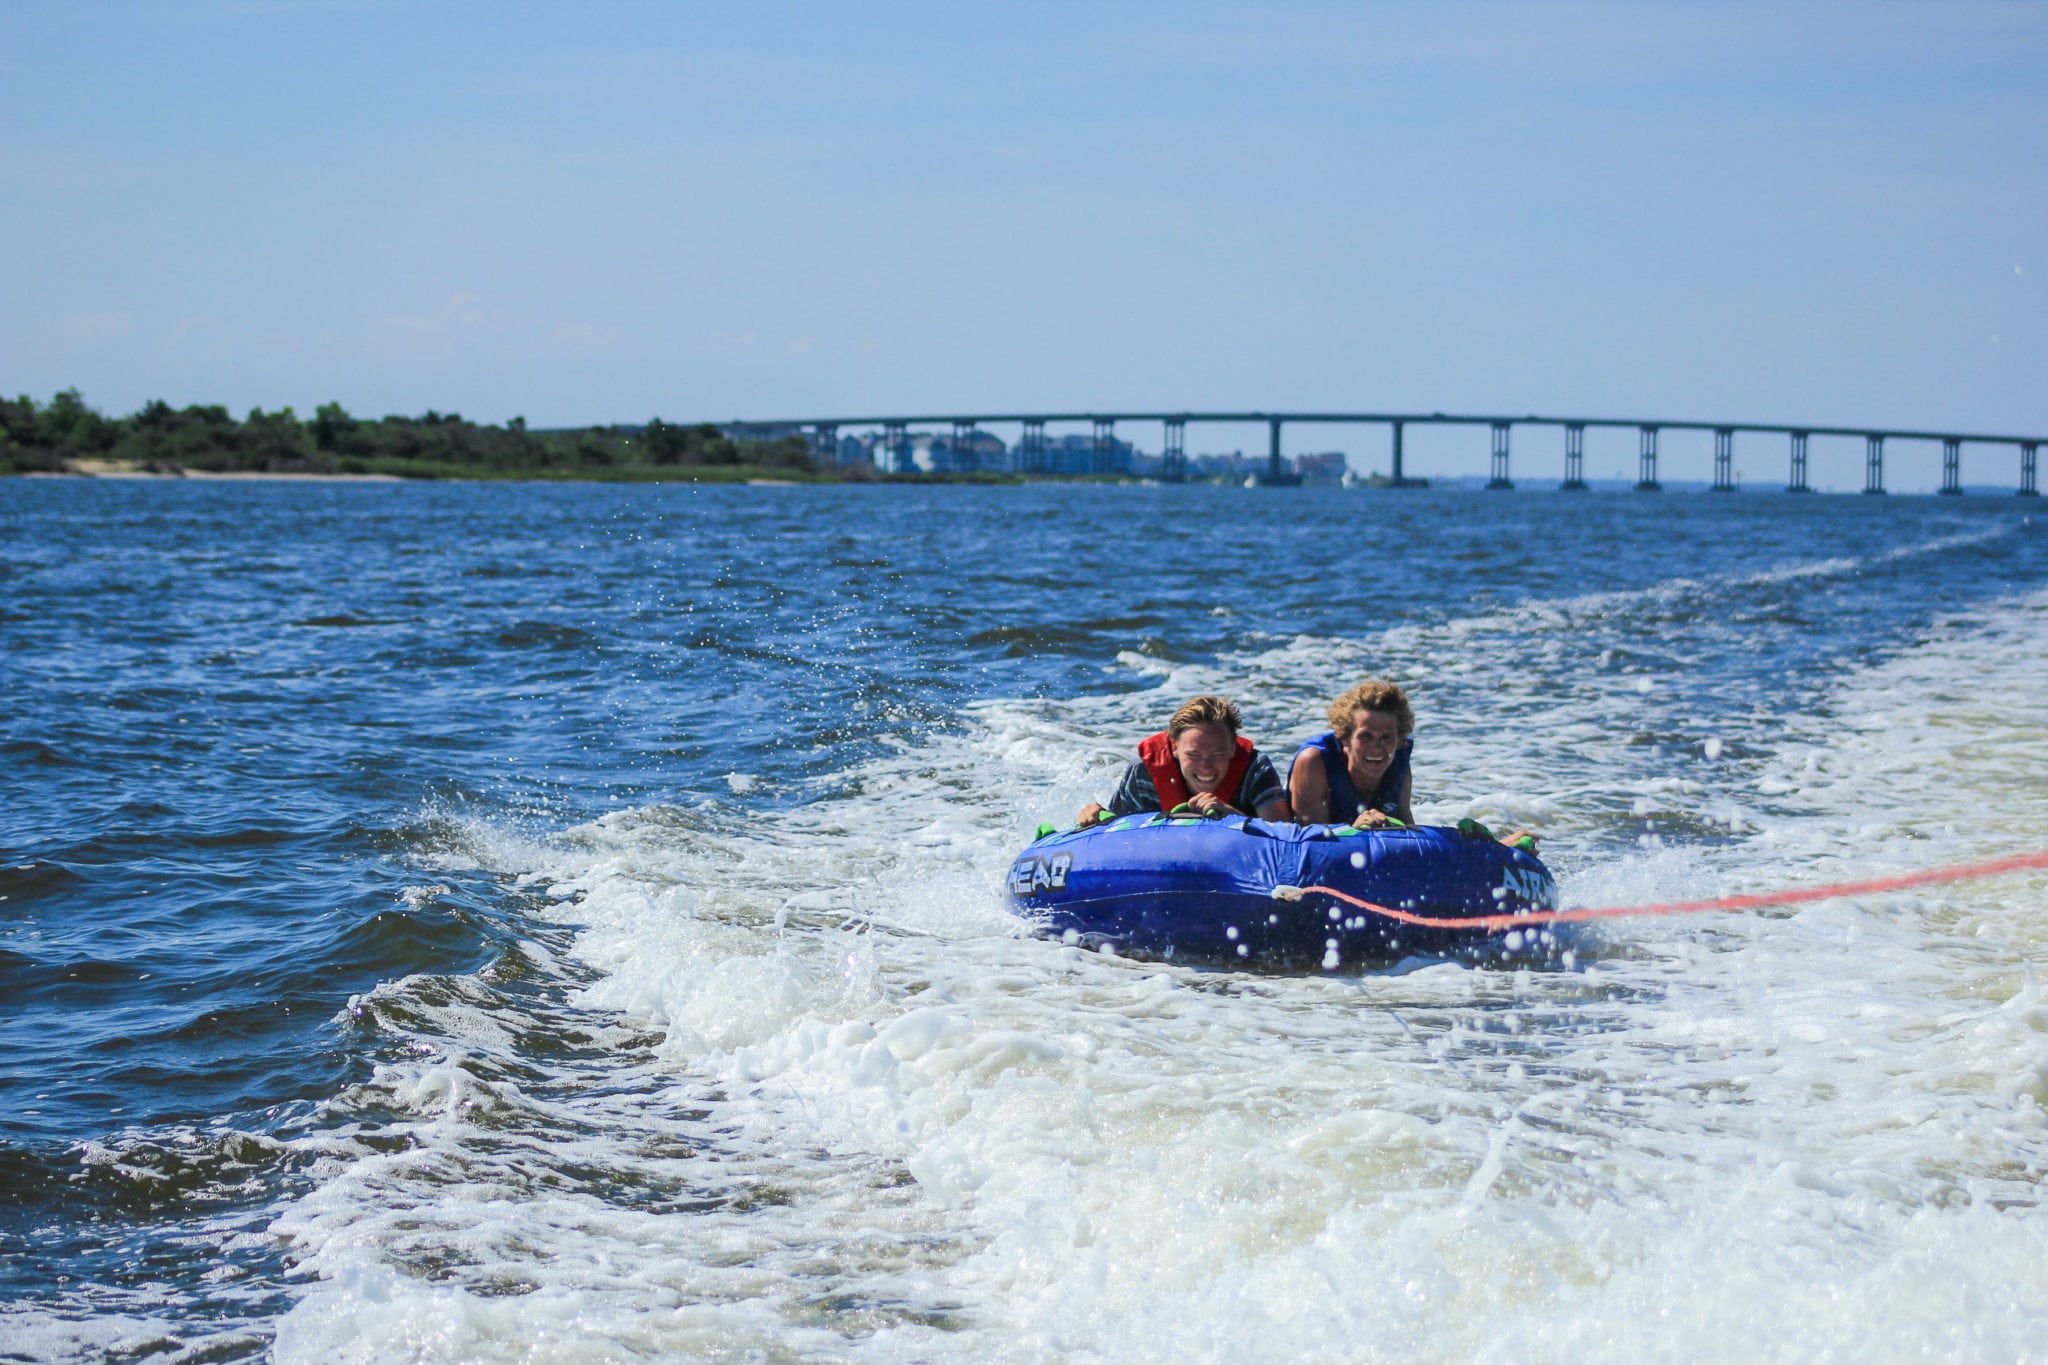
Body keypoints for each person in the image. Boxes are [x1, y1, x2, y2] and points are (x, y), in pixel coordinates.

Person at [1077, 694, 1293, 826]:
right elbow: (1115, 833)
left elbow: (1284, 836)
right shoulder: (1144, 773)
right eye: (1194, 755)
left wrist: (1232, 817)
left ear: (1232, 747)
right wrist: (1093, 819)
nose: (1205, 766)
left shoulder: (1256, 769)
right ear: (1175, 747)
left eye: (1217, 755)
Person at [1288, 678, 1416, 828]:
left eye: (1386, 738)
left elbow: (1407, 826)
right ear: (1345, 737)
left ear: (1399, 740)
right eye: (1365, 737)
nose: (1376, 748)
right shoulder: (1314, 761)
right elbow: (1310, 840)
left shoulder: (1398, 759)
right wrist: (1354, 830)